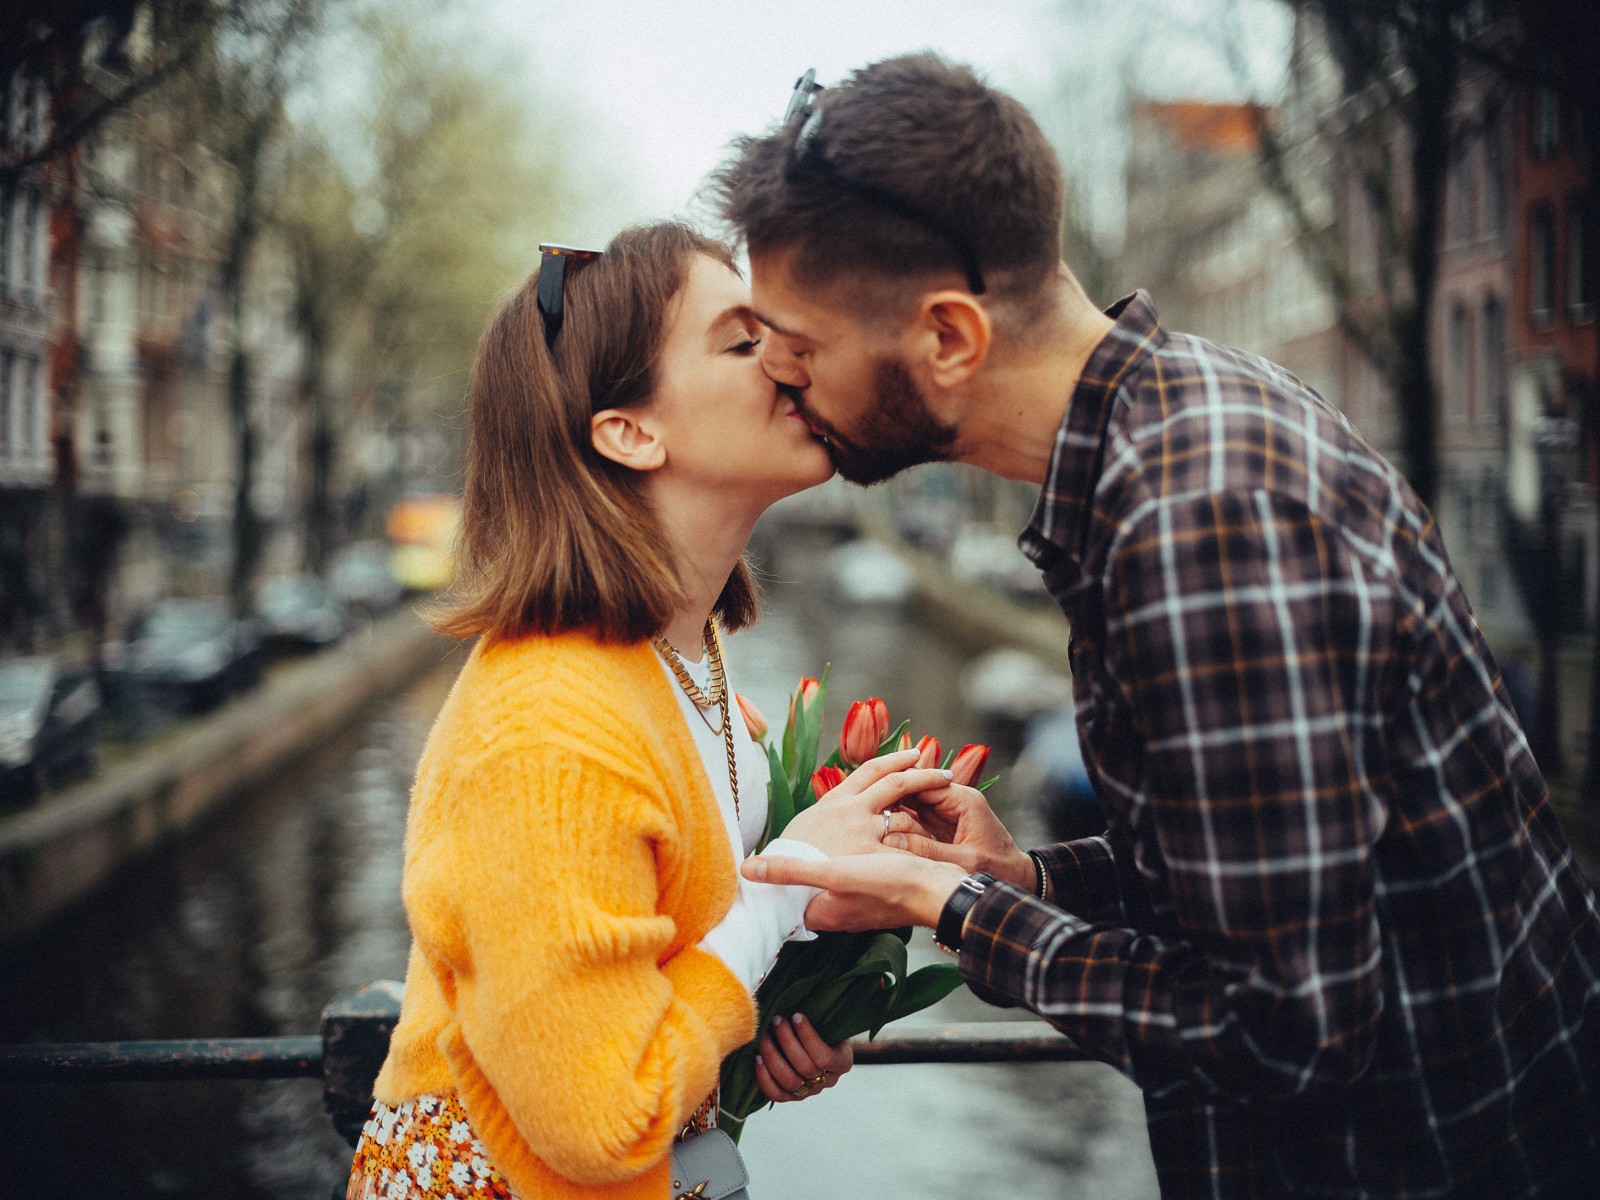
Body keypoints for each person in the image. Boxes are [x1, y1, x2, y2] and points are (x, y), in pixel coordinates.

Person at [712, 55, 1600, 1198]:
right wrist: (1029, 873)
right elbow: (1285, 872)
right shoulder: (1192, 420)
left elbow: (1290, 1027)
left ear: (947, 337)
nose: (784, 383)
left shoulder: (1194, 523)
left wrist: (956, 907)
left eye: (797, 348)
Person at [345, 222, 955, 1200]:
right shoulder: (548, 727)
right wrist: (783, 893)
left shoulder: (683, 653)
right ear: (629, 430)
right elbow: (601, 1117)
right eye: (742, 340)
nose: (791, 359)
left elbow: (667, 955)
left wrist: (791, 1008)